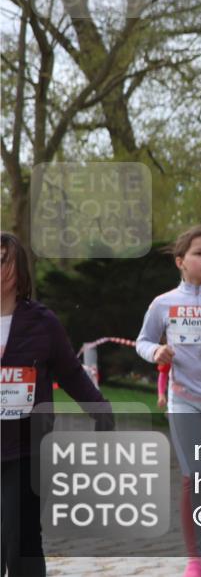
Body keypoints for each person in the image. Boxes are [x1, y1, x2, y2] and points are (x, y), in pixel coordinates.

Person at [1, 231, 113, 576]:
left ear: (19, 270)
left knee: (22, 542)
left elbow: (70, 372)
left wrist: (99, 409)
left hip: (26, 449)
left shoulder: (42, 322)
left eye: (4, 259)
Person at [135, 226, 201, 577]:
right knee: (194, 476)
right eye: (199, 253)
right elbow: (143, 341)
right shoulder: (163, 303)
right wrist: (157, 351)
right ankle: (194, 558)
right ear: (181, 262)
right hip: (185, 400)